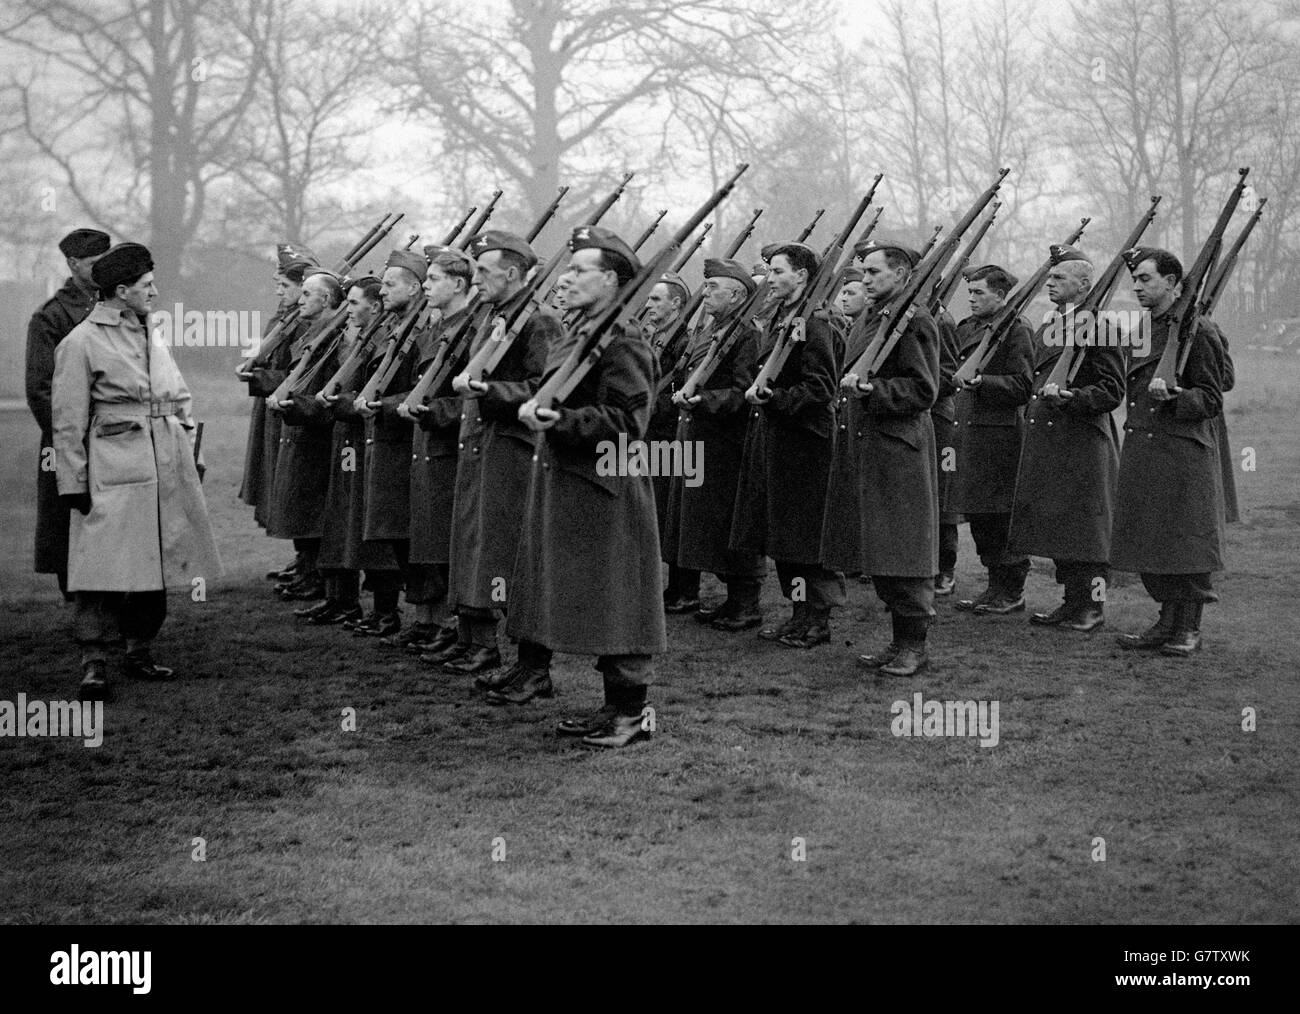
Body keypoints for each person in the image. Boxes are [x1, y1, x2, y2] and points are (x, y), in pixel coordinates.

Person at [510, 225, 668, 747]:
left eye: (579, 270)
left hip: (607, 492)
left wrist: (558, 420)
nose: (568, 277)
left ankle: (632, 717)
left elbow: (628, 424)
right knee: (596, 601)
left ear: (610, 278)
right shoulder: (581, 333)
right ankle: (611, 710)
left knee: (620, 601)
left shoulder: (624, 340)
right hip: (569, 485)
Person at [52, 242, 221, 701]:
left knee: (156, 566)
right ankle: (94, 663)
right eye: (147, 286)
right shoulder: (80, 343)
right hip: (112, 471)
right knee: (100, 570)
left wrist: (190, 451)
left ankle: (139, 650)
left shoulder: (153, 332)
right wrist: (73, 483)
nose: (156, 291)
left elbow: (177, 396)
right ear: (121, 291)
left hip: (165, 466)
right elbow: (67, 422)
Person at [442, 231, 562, 678]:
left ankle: (518, 658)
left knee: (501, 551)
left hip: (512, 450)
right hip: (479, 444)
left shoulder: (539, 322)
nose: (475, 279)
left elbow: (544, 387)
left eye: (484, 271)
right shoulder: (494, 315)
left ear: (512, 274)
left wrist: (488, 391)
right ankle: (475, 641)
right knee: (473, 543)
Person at [831, 238, 940, 677]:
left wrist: (874, 390)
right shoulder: (871, 319)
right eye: (865, 271)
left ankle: (914, 646)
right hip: (867, 444)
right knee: (880, 552)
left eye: (875, 272)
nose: (865, 278)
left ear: (901, 275)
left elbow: (924, 389)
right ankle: (899, 644)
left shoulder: (915, 321)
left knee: (904, 553)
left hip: (899, 449)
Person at [731, 242, 847, 649]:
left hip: (807, 445)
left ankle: (817, 620)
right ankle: (798, 614)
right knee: (783, 538)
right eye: (770, 271)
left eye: (779, 272)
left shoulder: (816, 323)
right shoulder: (783, 318)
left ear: (802, 276)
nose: (772, 279)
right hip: (778, 441)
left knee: (807, 538)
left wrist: (773, 399)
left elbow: (820, 387)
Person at [1112, 247, 1225, 657]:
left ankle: (1188, 627)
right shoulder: (1143, 329)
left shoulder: (1199, 331)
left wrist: (1178, 397)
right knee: (1150, 541)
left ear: (1174, 283)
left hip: (1181, 452)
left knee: (1183, 542)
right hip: (1143, 446)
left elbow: (1212, 397)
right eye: (1136, 279)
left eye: (1146, 279)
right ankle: (1166, 621)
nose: (1138, 286)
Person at [1008, 245, 1122, 632]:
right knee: (1060, 528)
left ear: (1085, 284)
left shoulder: (1102, 327)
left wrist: (1074, 398)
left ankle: (1092, 607)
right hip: (1049, 441)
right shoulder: (1050, 325)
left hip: (1082, 441)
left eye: (1059, 278)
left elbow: (1111, 390)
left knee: (1089, 532)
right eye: (1050, 276)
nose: (1050, 283)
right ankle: (1071, 602)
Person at [665, 258, 766, 630]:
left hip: (727, 443)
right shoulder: (713, 329)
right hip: (701, 437)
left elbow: (744, 391)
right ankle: (732, 601)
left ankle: (746, 603)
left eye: (713, 288)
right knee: (710, 523)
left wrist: (704, 401)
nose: (705, 293)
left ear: (737, 294)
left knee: (733, 523)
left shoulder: (746, 333)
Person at [394, 248, 477, 654]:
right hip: (424, 445)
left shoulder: (473, 329)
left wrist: (433, 411)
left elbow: (472, 397)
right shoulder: (434, 328)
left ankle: (453, 625)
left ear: (458, 284)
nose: (425, 286)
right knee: (424, 536)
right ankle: (427, 620)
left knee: (447, 541)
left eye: (434, 279)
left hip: (451, 445)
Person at [27, 228, 110, 600]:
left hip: (115, 439)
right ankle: (78, 608)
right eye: (93, 264)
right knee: (67, 523)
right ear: (73, 264)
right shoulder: (51, 317)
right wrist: (72, 438)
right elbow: (40, 389)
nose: (100, 271)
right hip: (67, 440)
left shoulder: (117, 306)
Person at [949, 265, 1035, 615]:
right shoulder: (966, 328)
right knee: (980, 516)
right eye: (969, 292)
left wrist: (983, 382)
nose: (971, 298)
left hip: (999, 438)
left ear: (1000, 296)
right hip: (968, 432)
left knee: (1000, 517)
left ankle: (1010, 590)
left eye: (979, 293)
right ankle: (994, 587)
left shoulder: (1017, 331)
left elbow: (1022, 385)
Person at [265, 268, 345, 604]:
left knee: (315, 510)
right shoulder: (311, 331)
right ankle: (309, 570)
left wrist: (294, 404)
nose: (301, 299)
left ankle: (319, 578)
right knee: (300, 504)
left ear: (326, 299)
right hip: (300, 426)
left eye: (309, 293)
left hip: (317, 432)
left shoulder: (333, 337)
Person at [642, 272, 698, 612]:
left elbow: (681, 386)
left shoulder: (684, 341)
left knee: (676, 513)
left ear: (676, 304)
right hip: (649, 435)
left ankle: (685, 589)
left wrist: (653, 407)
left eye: (656, 300)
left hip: (672, 434)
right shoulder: (654, 337)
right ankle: (669, 588)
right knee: (654, 511)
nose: (649, 305)